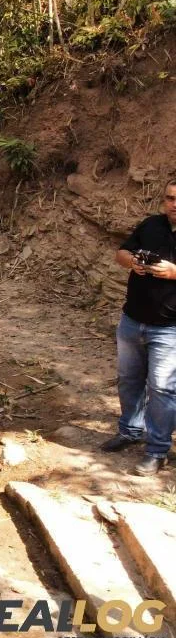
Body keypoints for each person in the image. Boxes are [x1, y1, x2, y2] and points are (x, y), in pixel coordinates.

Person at [104, 179, 176, 476]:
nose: (175, 204)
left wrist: (173, 272)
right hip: (132, 320)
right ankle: (130, 430)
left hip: (170, 328)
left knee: (162, 388)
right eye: (171, 198)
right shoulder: (151, 225)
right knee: (129, 379)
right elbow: (120, 252)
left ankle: (158, 450)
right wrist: (133, 262)